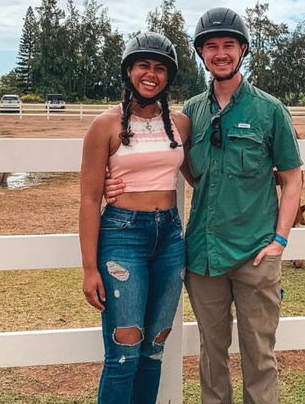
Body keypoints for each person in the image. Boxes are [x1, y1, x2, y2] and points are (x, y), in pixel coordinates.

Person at [106, 7, 303, 404]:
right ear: (200, 54)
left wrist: (279, 239)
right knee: (211, 357)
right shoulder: (189, 113)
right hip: (203, 255)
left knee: (259, 357)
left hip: (255, 252)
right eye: (210, 46)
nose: (220, 53)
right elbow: (181, 165)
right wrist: (116, 182)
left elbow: (293, 177)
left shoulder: (270, 110)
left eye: (228, 45)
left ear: (243, 49)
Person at [79, 31, 190, 404]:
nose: (151, 74)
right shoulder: (104, 126)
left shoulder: (180, 124)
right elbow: (90, 198)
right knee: (124, 353)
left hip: (171, 237)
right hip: (123, 236)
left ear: (168, 77)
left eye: (160, 68)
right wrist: (89, 268)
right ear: (128, 70)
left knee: (153, 349)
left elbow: (200, 175)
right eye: (143, 65)